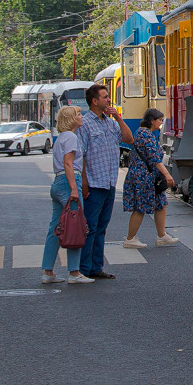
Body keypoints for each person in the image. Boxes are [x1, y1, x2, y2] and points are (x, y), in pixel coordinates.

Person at [76, 84, 133, 281]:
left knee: (101, 227)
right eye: (105, 97)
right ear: (95, 101)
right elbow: (80, 155)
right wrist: (84, 182)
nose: (108, 100)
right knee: (90, 227)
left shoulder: (110, 123)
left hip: (109, 182)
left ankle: (96, 267)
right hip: (94, 182)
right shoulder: (85, 124)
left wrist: (118, 117)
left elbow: (129, 139)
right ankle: (84, 268)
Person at [41, 106, 90, 286]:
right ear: (70, 119)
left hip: (57, 183)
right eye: (78, 114)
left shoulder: (60, 137)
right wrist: (74, 190)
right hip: (69, 182)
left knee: (56, 228)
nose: (81, 116)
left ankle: (48, 271)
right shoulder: (71, 137)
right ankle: (74, 272)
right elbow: (68, 164)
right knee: (75, 226)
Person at [121, 108, 177, 249]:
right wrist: (167, 175)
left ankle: (162, 235)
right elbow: (155, 159)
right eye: (159, 120)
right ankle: (130, 238)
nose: (161, 122)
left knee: (161, 203)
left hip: (146, 176)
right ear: (152, 121)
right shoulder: (145, 135)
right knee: (140, 206)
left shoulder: (145, 133)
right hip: (142, 176)